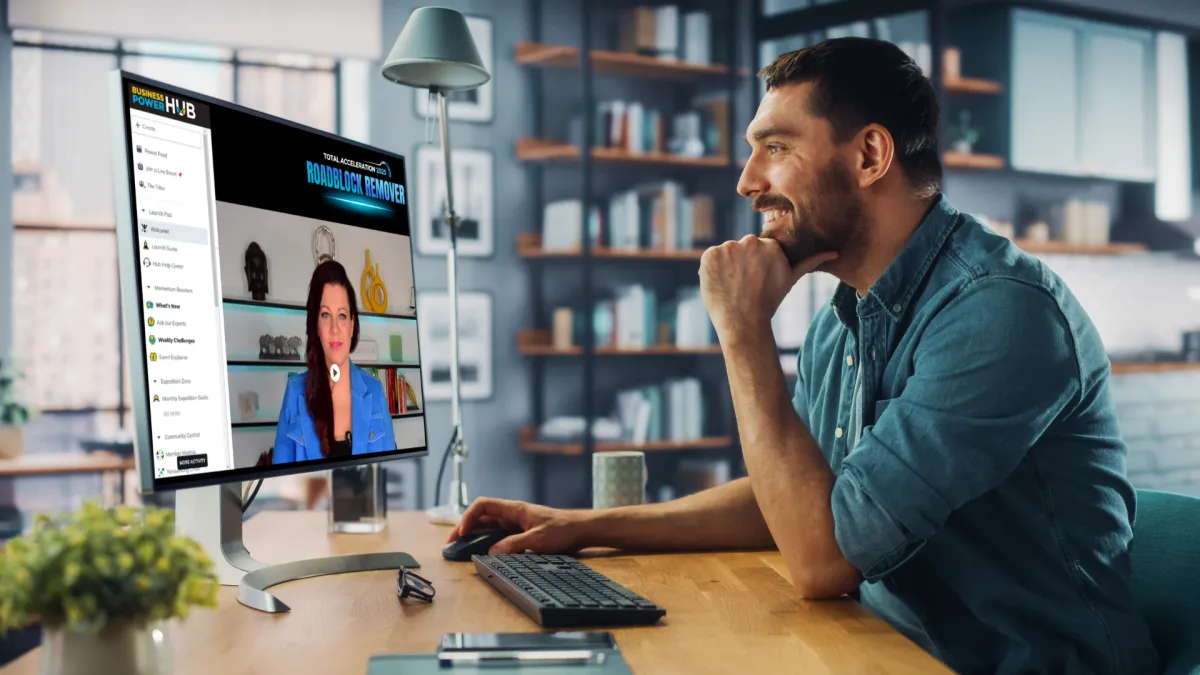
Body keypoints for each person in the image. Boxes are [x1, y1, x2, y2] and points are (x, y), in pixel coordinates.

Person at [448, 38, 1160, 675]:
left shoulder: (997, 313)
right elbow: (802, 503)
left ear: (870, 155)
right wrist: (580, 526)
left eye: (777, 146)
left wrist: (743, 330)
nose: (747, 180)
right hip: (883, 648)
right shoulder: (844, 314)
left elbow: (822, 556)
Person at [273, 260, 396, 463]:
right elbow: (278, 481)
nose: (334, 328)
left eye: (341, 315)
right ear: (316, 325)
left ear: (351, 323)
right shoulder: (295, 392)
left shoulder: (374, 391)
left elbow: (392, 473)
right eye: (325, 315)